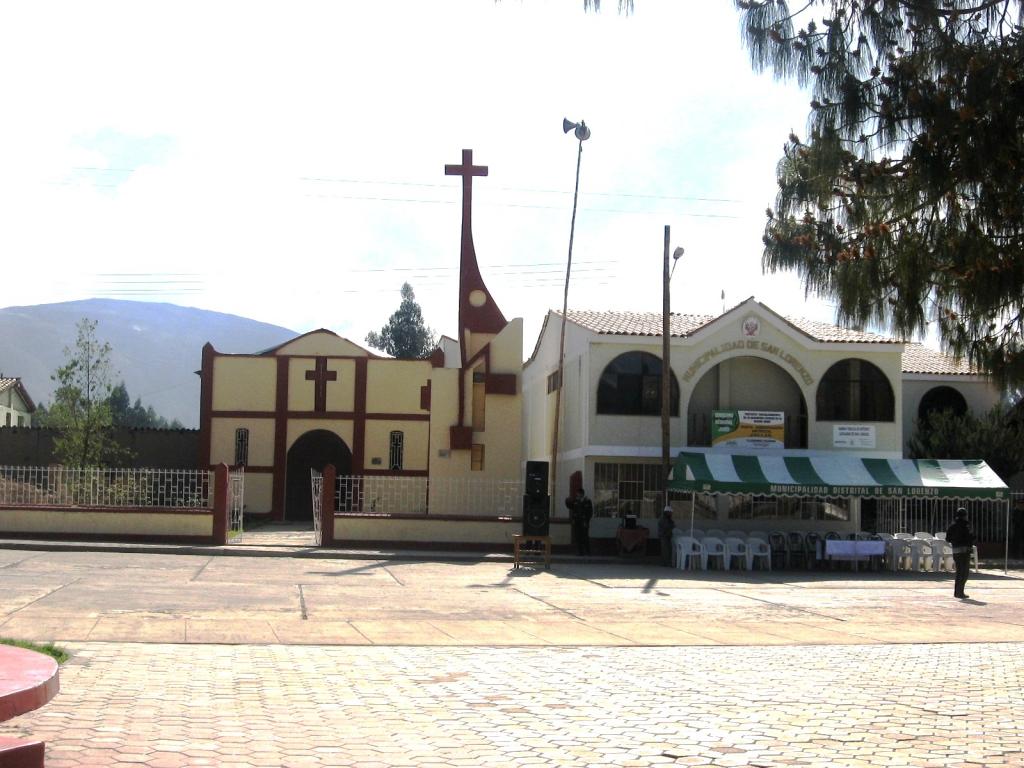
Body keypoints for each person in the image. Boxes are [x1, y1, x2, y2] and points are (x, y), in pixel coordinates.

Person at [946, 508, 976, 599]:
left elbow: (947, 539)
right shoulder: (966, 526)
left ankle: (957, 592)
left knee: (959, 572)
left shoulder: (952, 526)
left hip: (955, 551)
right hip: (965, 550)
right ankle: (960, 592)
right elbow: (971, 537)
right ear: (965, 516)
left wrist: (955, 541)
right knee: (964, 572)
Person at [566, 488, 593, 556]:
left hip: (584, 521)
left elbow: (590, 512)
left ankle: (588, 552)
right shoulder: (576, 501)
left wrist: (586, 520)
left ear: (581, 494)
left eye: (578, 493)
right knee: (578, 537)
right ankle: (580, 552)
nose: (577, 495)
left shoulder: (587, 501)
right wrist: (567, 501)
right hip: (577, 521)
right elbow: (570, 506)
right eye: (577, 494)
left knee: (585, 537)